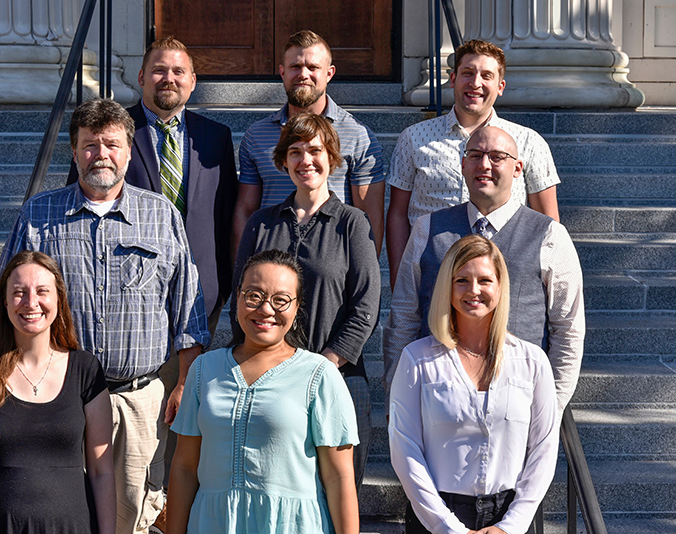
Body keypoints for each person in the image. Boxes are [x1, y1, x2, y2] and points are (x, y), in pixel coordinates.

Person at [0, 98, 211, 534]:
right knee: (60, 507)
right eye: (89, 145)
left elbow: (187, 305)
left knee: (129, 513)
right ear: (74, 153)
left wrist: (186, 382)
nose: (101, 154)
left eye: (111, 144)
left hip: (137, 398)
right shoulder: (39, 215)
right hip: (58, 397)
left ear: (129, 152)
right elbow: (8, 301)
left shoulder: (160, 214)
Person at [383, 126, 584, 413]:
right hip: (438, 402)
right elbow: (403, 318)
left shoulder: (550, 236)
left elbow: (568, 330)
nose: (485, 164)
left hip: (519, 405)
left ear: (518, 168)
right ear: (463, 165)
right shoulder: (427, 229)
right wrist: (398, 398)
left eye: (497, 156)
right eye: (475, 155)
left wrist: (549, 407)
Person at [232, 113, 381, 491]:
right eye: (294, 152)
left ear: (332, 158)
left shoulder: (352, 223)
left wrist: (324, 364)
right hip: (267, 380)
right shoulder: (262, 225)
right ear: (283, 162)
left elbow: (366, 306)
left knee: (338, 495)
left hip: (338, 377)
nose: (305, 160)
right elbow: (243, 299)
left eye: (315, 150)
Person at [168, 249, 359, 534]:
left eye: (280, 300)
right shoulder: (203, 369)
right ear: (238, 298)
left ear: (296, 309)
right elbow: (184, 467)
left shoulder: (319, 374)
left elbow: (338, 476)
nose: (266, 309)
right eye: (254, 296)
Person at [66, 36, 238, 335]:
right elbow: (79, 202)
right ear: (142, 77)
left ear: (193, 81)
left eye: (178, 71)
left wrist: (223, 284)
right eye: (159, 70)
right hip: (125, 291)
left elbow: (226, 213)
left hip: (202, 290)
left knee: (189, 379)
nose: (168, 79)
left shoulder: (216, 137)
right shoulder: (109, 134)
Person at [389, 235, 559, 534]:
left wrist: (510, 526)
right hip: (435, 518)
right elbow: (405, 450)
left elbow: (544, 449)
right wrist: (449, 528)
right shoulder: (417, 359)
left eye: (484, 280)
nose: (474, 290)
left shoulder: (532, 362)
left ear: (499, 286)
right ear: (448, 287)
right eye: (462, 280)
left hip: (510, 516)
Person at [0, 250, 115, 534]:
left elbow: (102, 471)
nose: (31, 302)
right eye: (19, 292)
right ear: (5, 301)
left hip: (71, 527)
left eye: (42, 291)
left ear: (58, 298)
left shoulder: (86, 370)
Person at [385, 39, 560, 288]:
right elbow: (398, 215)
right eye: (467, 73)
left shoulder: (528, 142)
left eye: (486, 76)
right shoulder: (414, 138)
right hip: (433, 274)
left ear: (500, 86)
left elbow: (547, 219)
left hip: (504, 275)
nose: (475, 83)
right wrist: (400, 279)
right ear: (453, 78)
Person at [233, 29, 384, 257]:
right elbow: (245, 209)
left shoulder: (358, 135)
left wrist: (364, 273)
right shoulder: (256, 136)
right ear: (282, 72)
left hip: (333, 261)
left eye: (313, 67)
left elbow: (369, 214)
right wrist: (243, 270)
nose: (303, 74)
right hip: (271, 263)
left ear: (329, 73)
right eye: (295, 67)